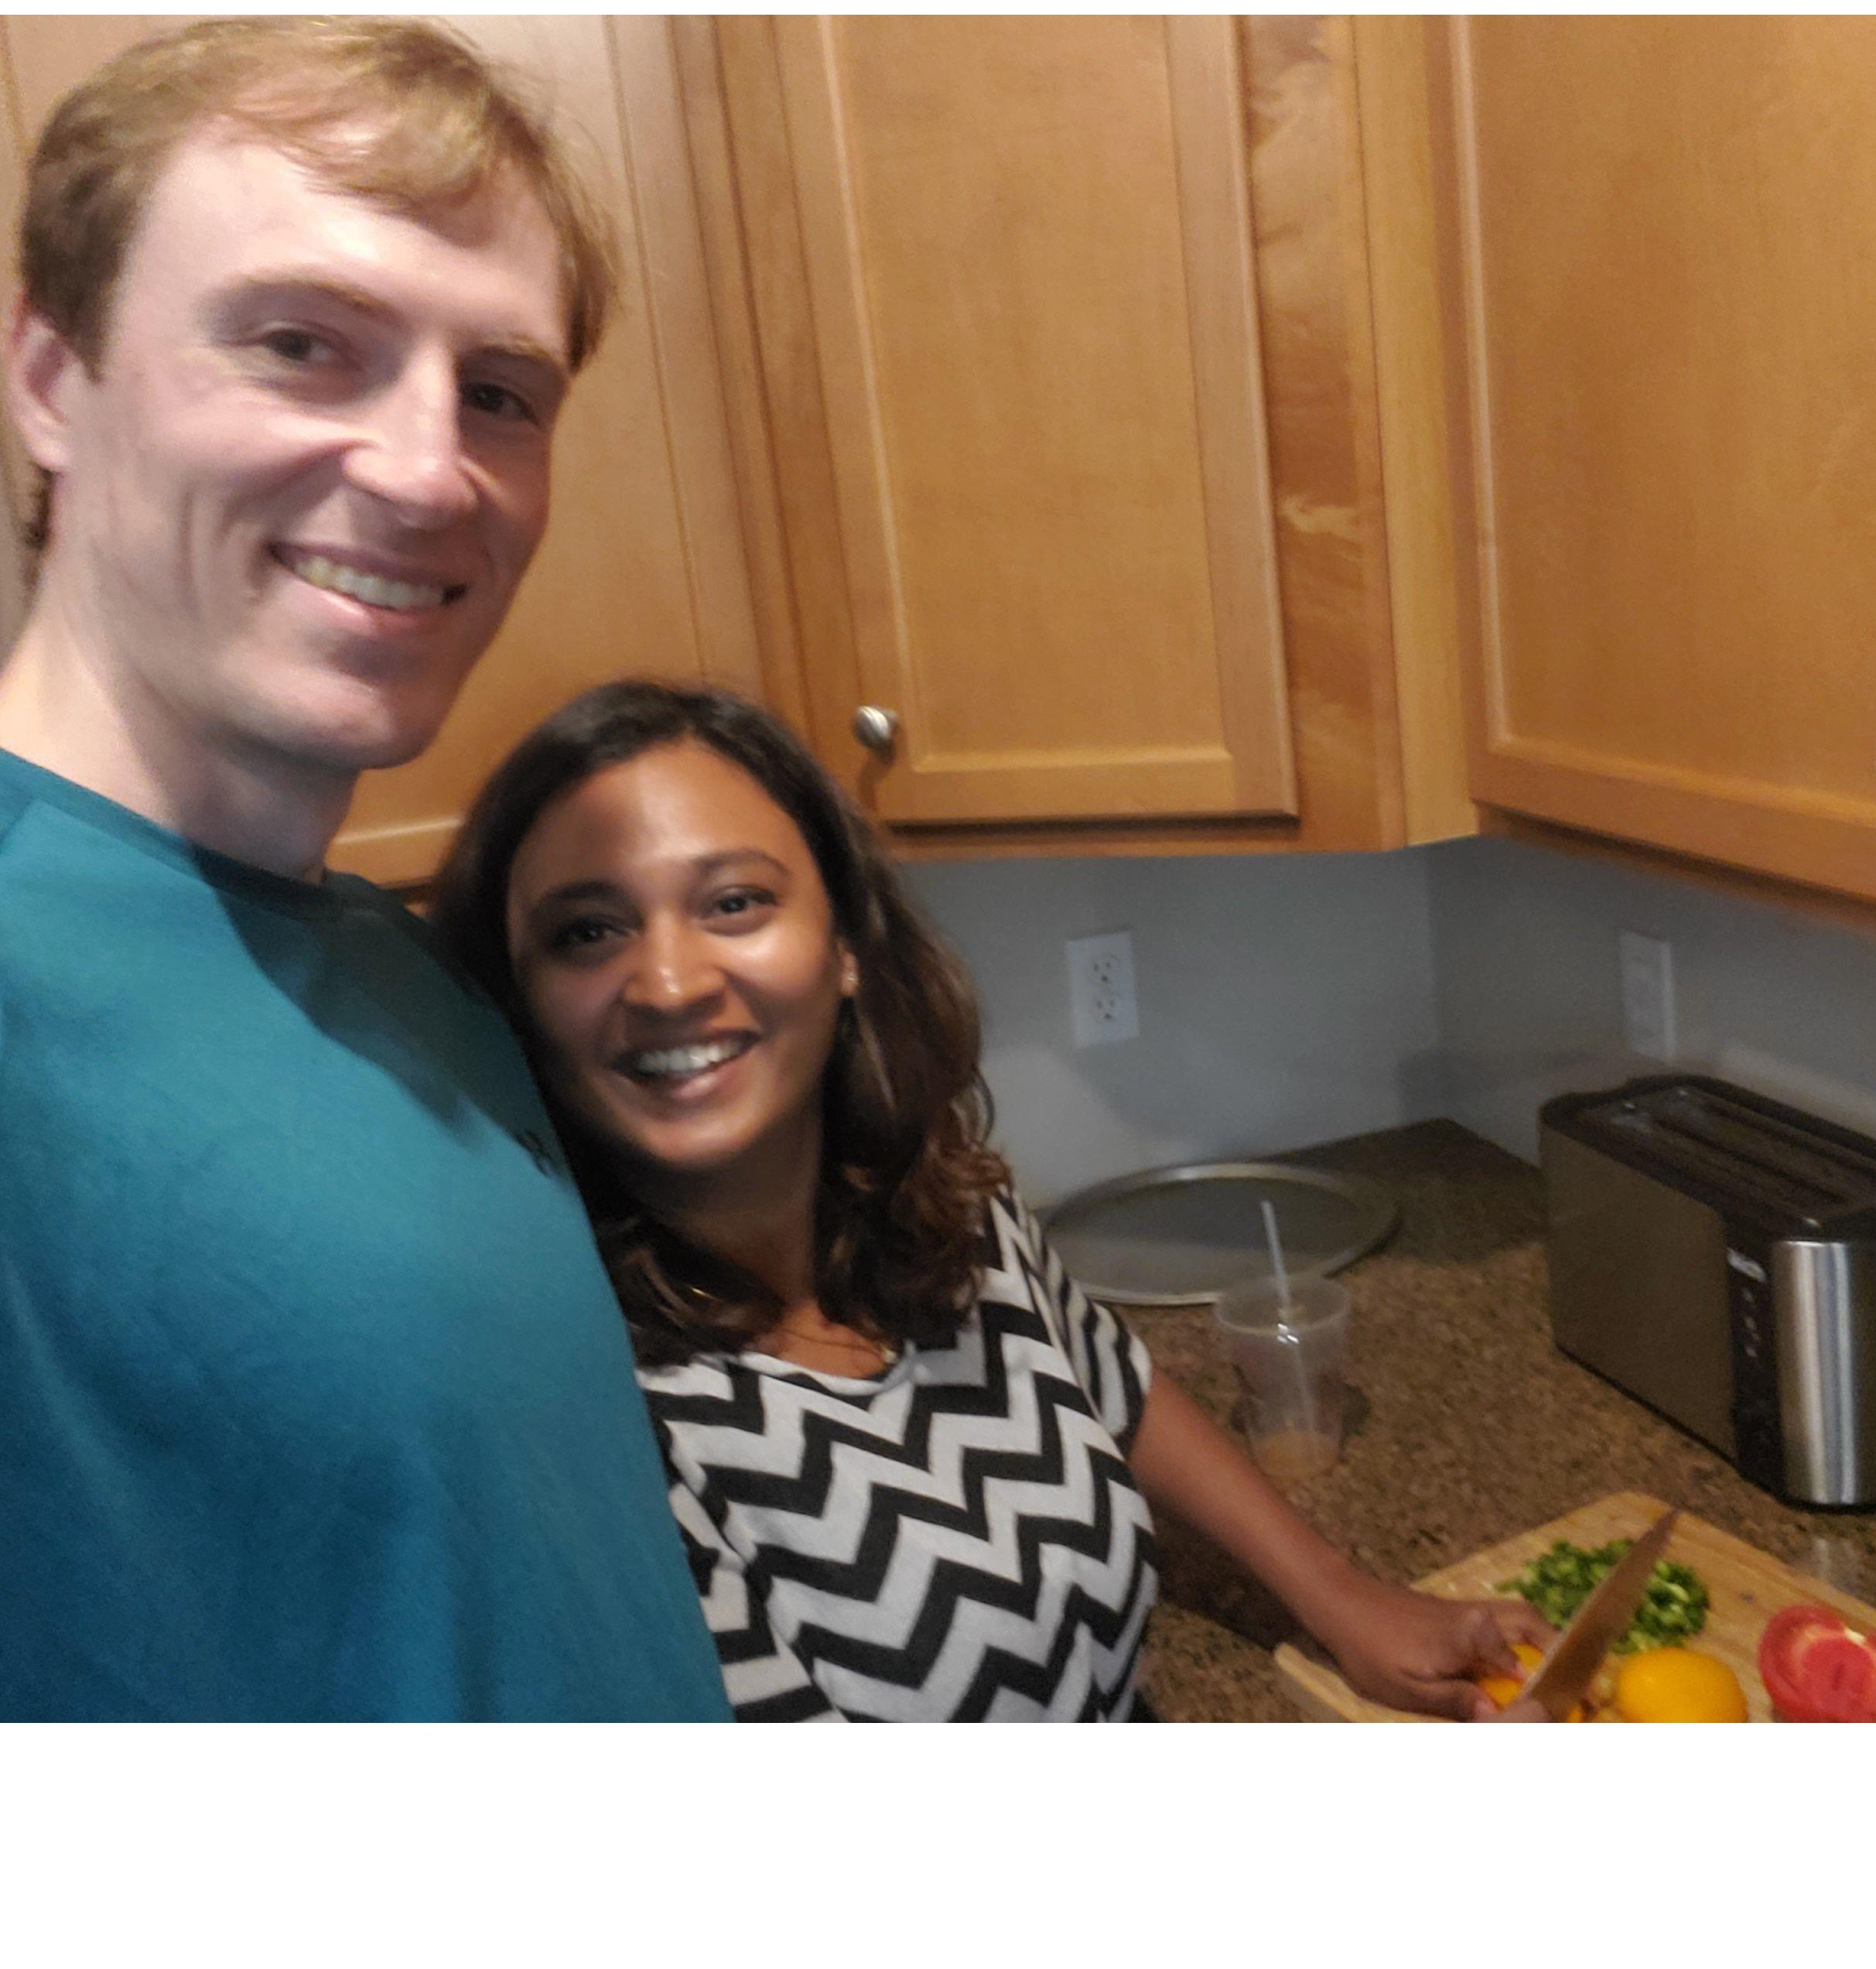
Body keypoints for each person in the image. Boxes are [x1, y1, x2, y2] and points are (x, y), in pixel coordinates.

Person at [0, 19, 729, 1720]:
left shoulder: (402, 975)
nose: (425, 470)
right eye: (299, 343)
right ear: (51, 379)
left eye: (497, 392)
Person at [429, 680, 1552, 1721]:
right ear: (518, 998)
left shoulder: (941, 1210)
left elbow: (1108, 1381)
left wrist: (1336, 1590)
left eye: (733, 901)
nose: (669, 981)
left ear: (846, 946)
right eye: (587, 930)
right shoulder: (582, 1417)